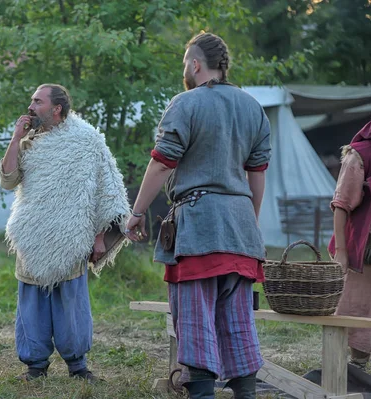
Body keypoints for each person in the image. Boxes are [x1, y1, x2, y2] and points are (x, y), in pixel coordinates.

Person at [125, 33, 271, 399]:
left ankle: (203, 394)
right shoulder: (253, 107)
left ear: (194, 65)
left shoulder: (185, 103)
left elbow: (162, 164)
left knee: (194, 318)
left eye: (184, 66)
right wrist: (249, 224)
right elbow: (258, 174)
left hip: (199, 225)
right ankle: (246, 395)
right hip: (241, 229)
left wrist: (137, 212)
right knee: (238, 320)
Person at [0, 84, 130, 382]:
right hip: (32, 233)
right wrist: (16, 137)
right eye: (31, 100)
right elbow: (8, 180)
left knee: (71, 303)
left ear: (56, 108)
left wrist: (100, 235)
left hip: (71, 234)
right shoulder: (28, 141)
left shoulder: (86, 140)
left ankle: (77, 366)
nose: (30, 106)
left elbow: (108, 189)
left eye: (37, 101)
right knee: (32, 301)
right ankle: (35, 365)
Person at [329, 119, 371, 370]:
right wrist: (342, 252)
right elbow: (341, 204)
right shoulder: (359, 157)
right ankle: (356, 366)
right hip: (365, 248)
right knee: (358, 306)